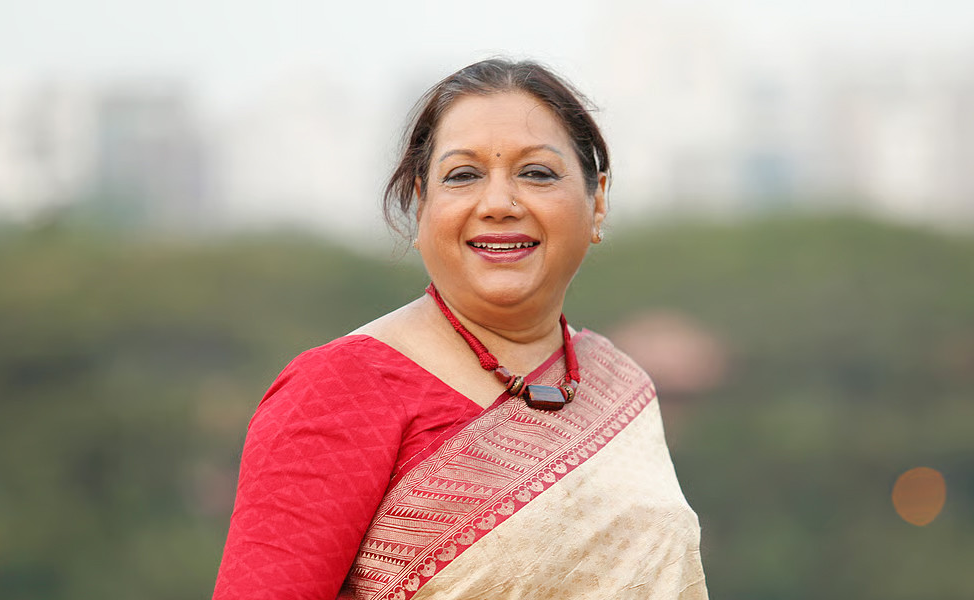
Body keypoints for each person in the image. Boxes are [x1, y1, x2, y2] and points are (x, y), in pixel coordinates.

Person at [213, 58, 708, 600]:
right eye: (463, 175)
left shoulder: (618, 382)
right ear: (421, 204)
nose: (498, 204)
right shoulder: (340, 389)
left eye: (537, 173)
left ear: (598, 201)